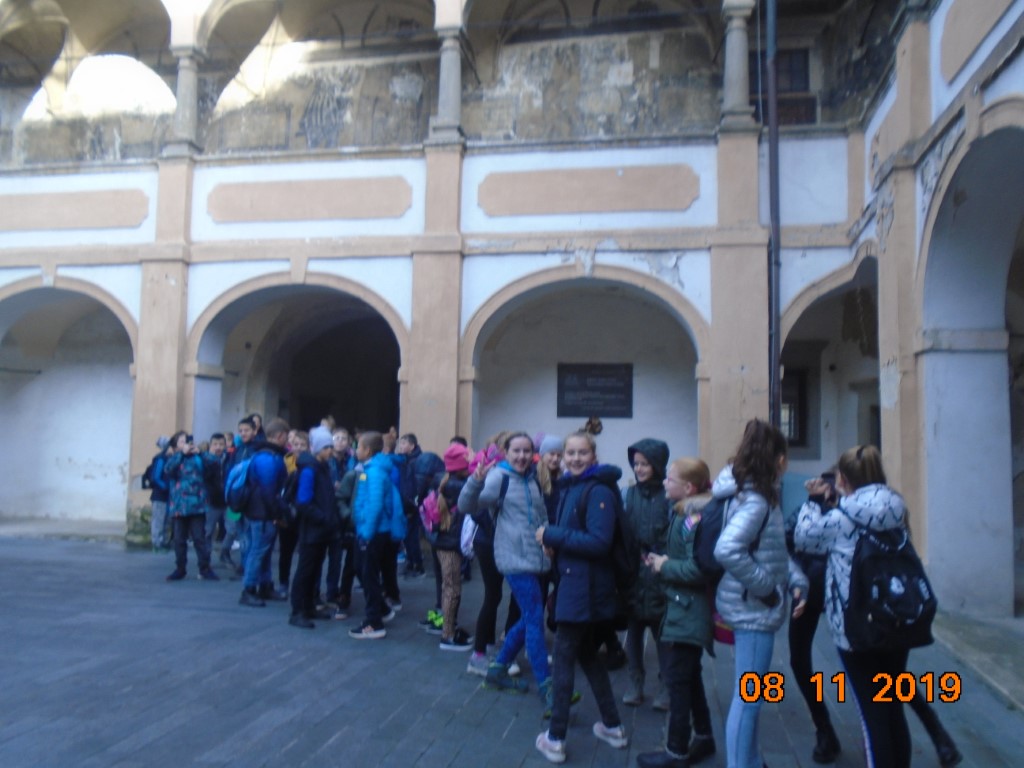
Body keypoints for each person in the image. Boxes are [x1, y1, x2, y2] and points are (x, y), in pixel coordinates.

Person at [794, 445, 959, 768]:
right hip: (897, 617)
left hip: (857, 627)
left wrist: (814, 501)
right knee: (892, 705)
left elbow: (803, 538)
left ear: (842, 480)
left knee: (873, 717)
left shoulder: (841, 519)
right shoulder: (896, 509)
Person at [713, 418, 808, 768]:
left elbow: (771, 551)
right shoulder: (756, 500)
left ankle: (751, 760)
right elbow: (727, 550)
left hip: (748, 604)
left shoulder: (751, 493)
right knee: (749, 699)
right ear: (779, 459)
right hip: (752, 609)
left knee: (749, 695)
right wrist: (767, 589)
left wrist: (796, 580)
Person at [535, 431, 628, 764]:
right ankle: (613, 726)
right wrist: (554, 545)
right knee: (587, 655)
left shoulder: (597, 490)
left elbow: (599, 542)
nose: (574, 458)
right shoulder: (574, 486)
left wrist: (552, 534)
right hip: (577, 584)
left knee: (563, 659)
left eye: (582, 453)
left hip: (584, 588)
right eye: (570, 453)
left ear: (593, 456)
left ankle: (555, 738)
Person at [636, 458, 717, 768]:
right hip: (682, 607)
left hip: (687, 610)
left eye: (670, 479)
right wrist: (663, 560)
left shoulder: (693, 519)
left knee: (678, 681)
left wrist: (665, 565)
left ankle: (676, 751)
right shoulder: (684, 513)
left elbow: (698, 569)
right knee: (689, 676)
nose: (664, 483)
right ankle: (704, 736)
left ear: (689, 488)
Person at [459, 432, 551, 694]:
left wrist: (548, 539)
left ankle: (498, 668)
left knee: (530, 616)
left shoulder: (532, 479)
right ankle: (546, 684)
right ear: (506, 453)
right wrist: (475, 481)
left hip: (536, 556)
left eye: (526, 451)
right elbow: (466, 506)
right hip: (513, 557)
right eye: (516, 451)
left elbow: (541, 516)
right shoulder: (499, 477)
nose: (522, 456)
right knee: (533, 618)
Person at [621, 438, 671, 710]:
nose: (639, 469)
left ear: (657, 465)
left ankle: (666, 685)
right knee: (634, 630)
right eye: (636, 464)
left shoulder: (668, 496)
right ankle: (635, 682)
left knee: (662, 633)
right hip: (633, 571)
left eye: (645, 464)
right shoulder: (628, 494)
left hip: (659, 570)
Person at [287, 426, 341, 629]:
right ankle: (297, 610)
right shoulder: (310, 469)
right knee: (305, 569)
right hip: (313, 528)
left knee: (314, 568)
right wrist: (323, 518)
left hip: (321, 528)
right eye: (326, 447)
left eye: (330, 446)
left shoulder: (321, 467)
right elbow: (303, 501)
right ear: (318, 448)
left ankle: (309, 606)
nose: (330, 450)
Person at [350, 430, 400, 639]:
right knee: (361, 569)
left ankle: (374, 623)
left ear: (368, 450)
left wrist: (367, 533)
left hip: (373, 532)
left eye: (359, 447)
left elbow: (375, 505)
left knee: (369, 576)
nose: (355, 450)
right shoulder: (371, 469)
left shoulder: (375, 472)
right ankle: (382, 609)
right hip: (369, 530)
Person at [238, 418, 290, 607]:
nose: (287, 441)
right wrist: (277, 513)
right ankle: (249, 589)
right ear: (280, 436)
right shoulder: (268, 458)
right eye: (286, 437)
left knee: (263, 551)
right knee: (258, 551)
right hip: (262, 513)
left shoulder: (263, 455)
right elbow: (269, 491)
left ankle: (264, 585)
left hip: (259, 510)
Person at [429, 443, 473, 650]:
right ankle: (447, 635)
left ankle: (450, 627)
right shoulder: (458, 485)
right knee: (452, 588)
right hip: (451, 543)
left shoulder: (443, 479)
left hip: (442, 541)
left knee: (449, 586)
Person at [163, 431, 219, 582]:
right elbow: (168, 469)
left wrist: (200, 452)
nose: (185, 444)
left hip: (197, 505)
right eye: (181, 442)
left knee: (199, 538)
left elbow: (215, 462)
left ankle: (205, 568)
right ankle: (180, 568)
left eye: (186, 441)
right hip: (179, 506)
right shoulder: (175, 458)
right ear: (176, 446)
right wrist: (181, 454)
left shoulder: (198, 458)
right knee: (179, 540)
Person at [278, 429, 308, 598]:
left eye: (303, 444)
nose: (299, 448)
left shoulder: (311, 465)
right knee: (286, 552)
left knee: (305, 553)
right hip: (288, 512)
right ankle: (283, 582)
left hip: (304, 514)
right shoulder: (286, 462)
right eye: (296, 444)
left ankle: (301, 585)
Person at [203, 432, 229, 560]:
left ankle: (225, 552)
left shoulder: (229, 459)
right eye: (215, 444)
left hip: (229, 502)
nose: (218, 447)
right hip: (212, 502)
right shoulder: (205, 460)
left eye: (221, 444)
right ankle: (205, 559)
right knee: (208, 531)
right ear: (210, 445)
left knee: (233, 529)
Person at [147, 436, 172, 551]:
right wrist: (166, 487)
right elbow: (156, 477)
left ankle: (163, 541)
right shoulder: (160, 459)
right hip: (159, 495)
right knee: (158, 520)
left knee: (166, 520)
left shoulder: (169, 458)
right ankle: (157, 543)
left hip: (167, 495)